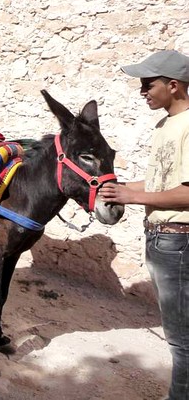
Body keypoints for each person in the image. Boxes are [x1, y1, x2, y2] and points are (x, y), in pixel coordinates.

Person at [100, 49, 189, 400]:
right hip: (162, 239)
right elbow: (159, 184)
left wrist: (130, 198)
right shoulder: (166, 125)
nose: (142, 91)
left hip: (178, 242)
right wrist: (115, 188)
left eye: (147, 84)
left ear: (174, 85)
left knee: (182, 341)